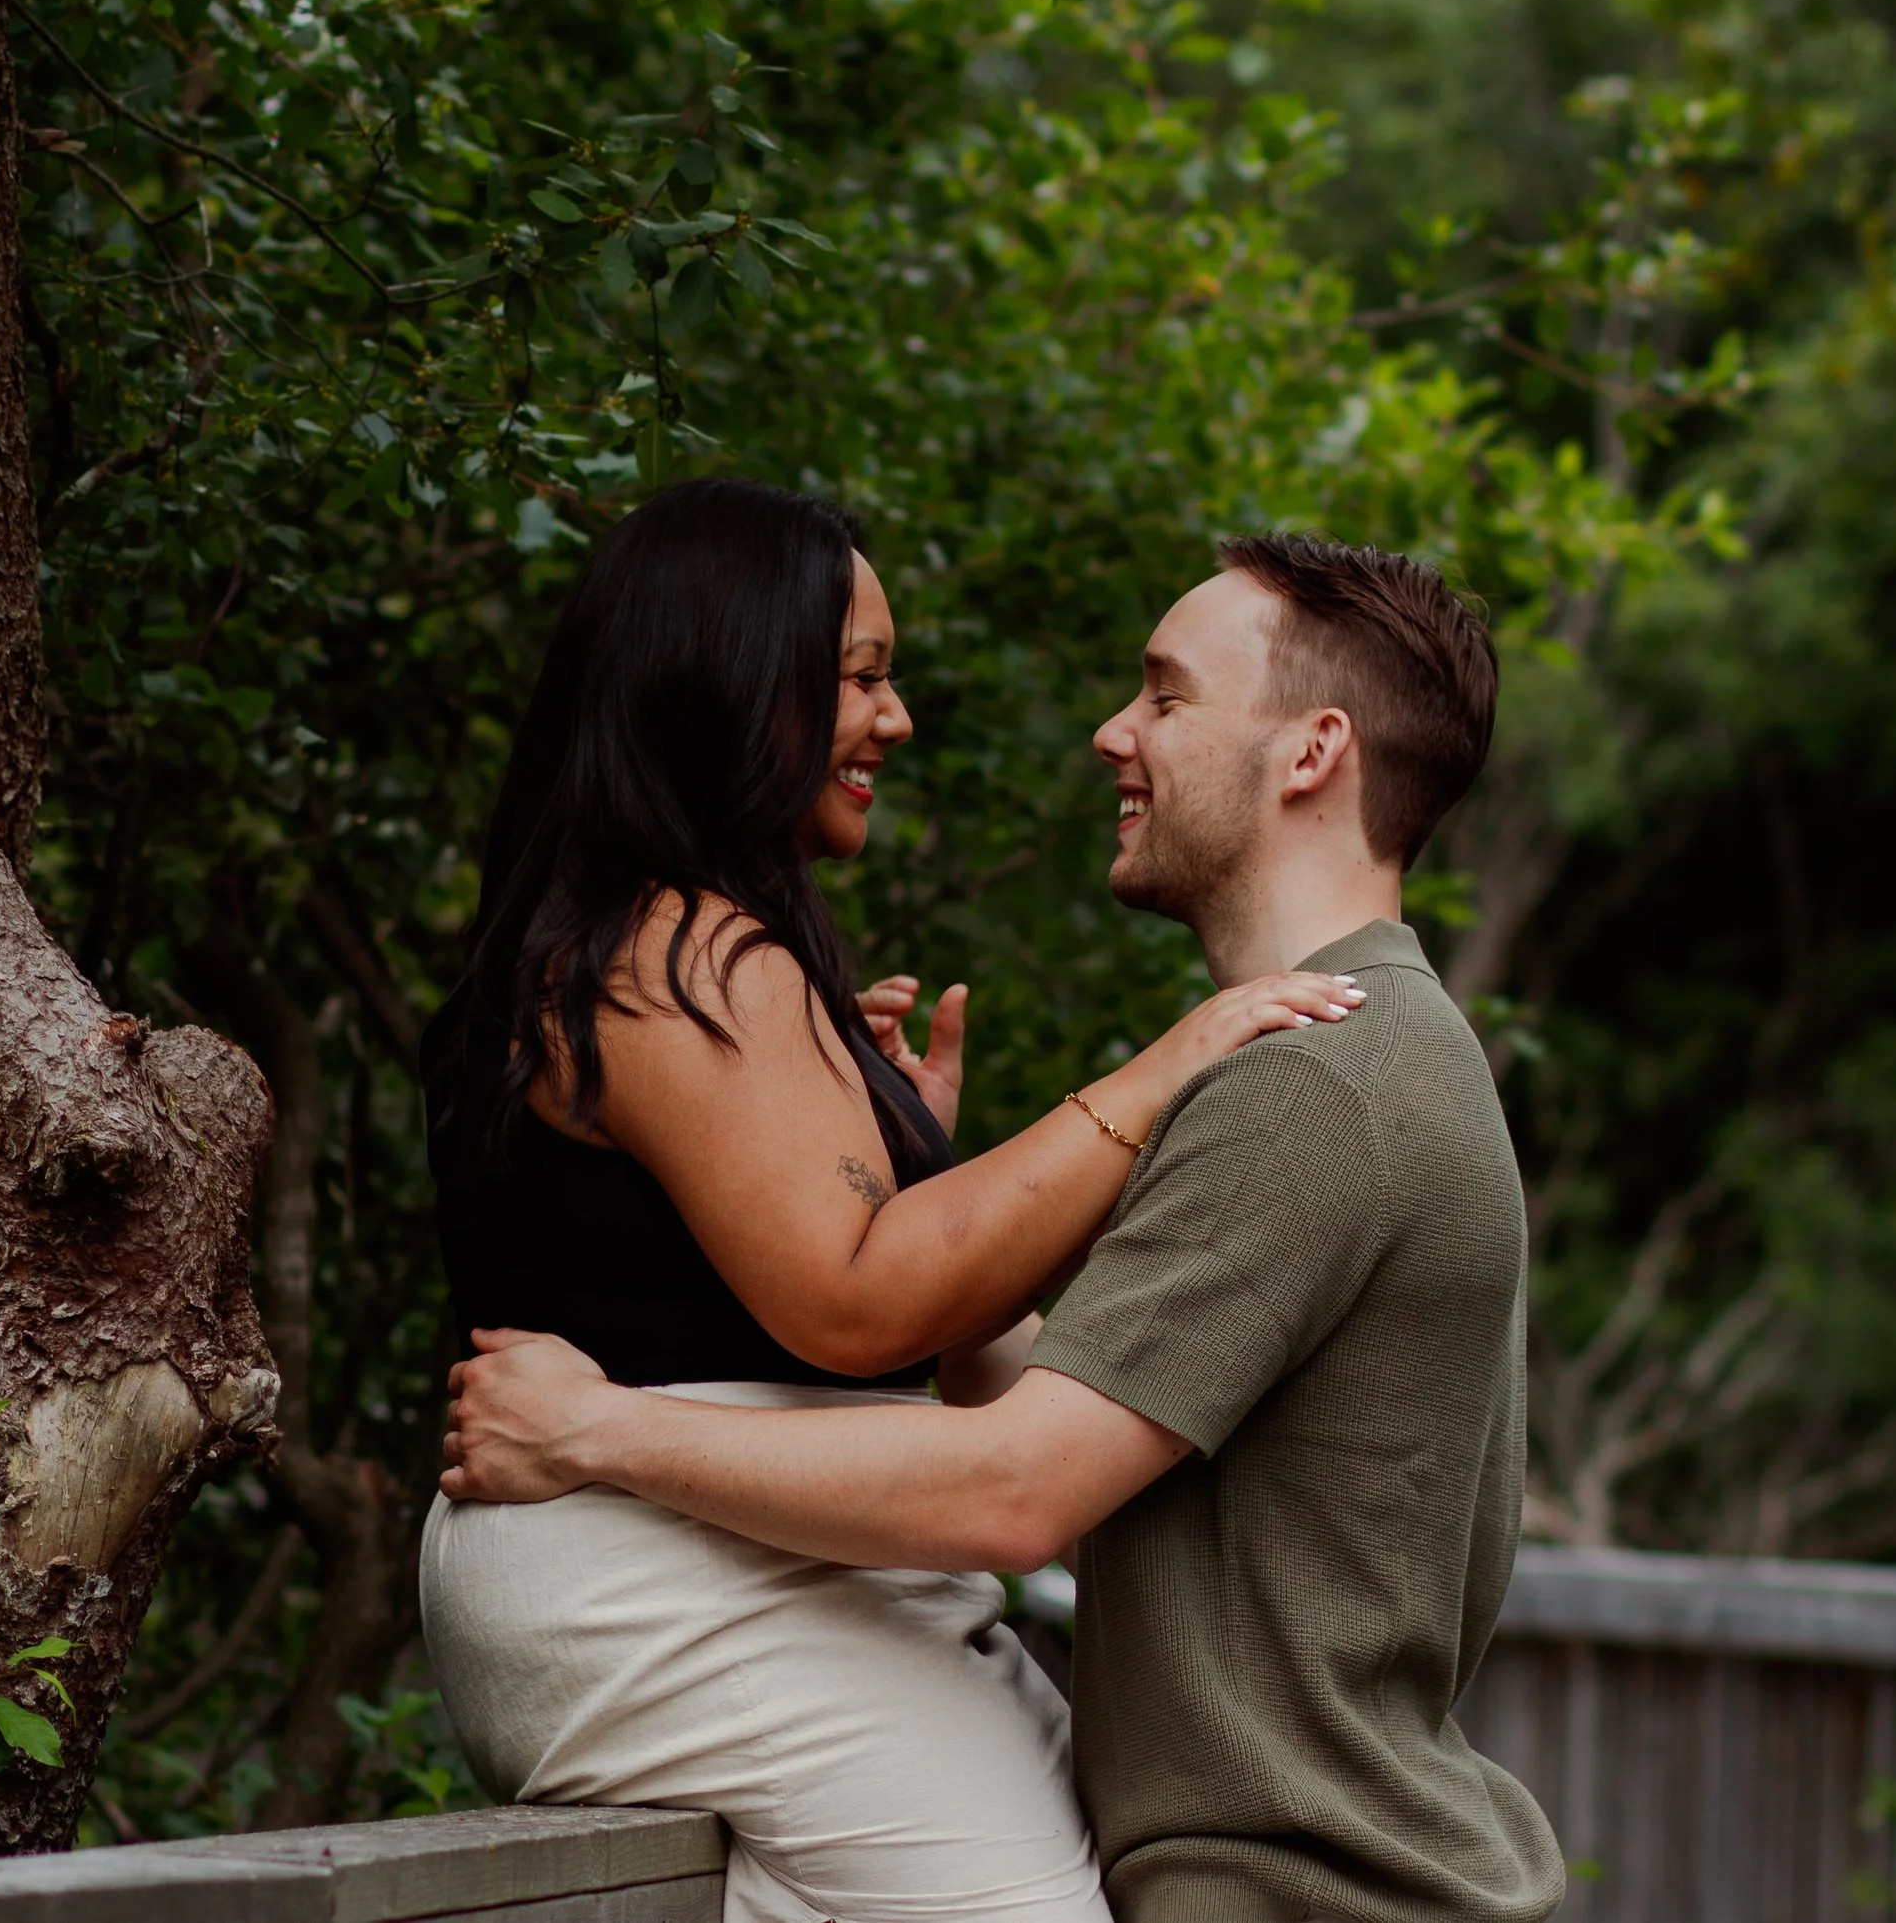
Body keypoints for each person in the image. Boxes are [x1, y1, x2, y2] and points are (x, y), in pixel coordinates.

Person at [445, 532, 1570, 1923]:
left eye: (1165, 696)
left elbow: (1016, 1493)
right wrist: (915, 1186)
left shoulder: (1312, 1082)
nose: (1115, 731)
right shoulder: (1379, 1049)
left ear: (1311, 752)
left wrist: (593, 1430)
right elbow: (1092, 1450)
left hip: (1302, 1888)